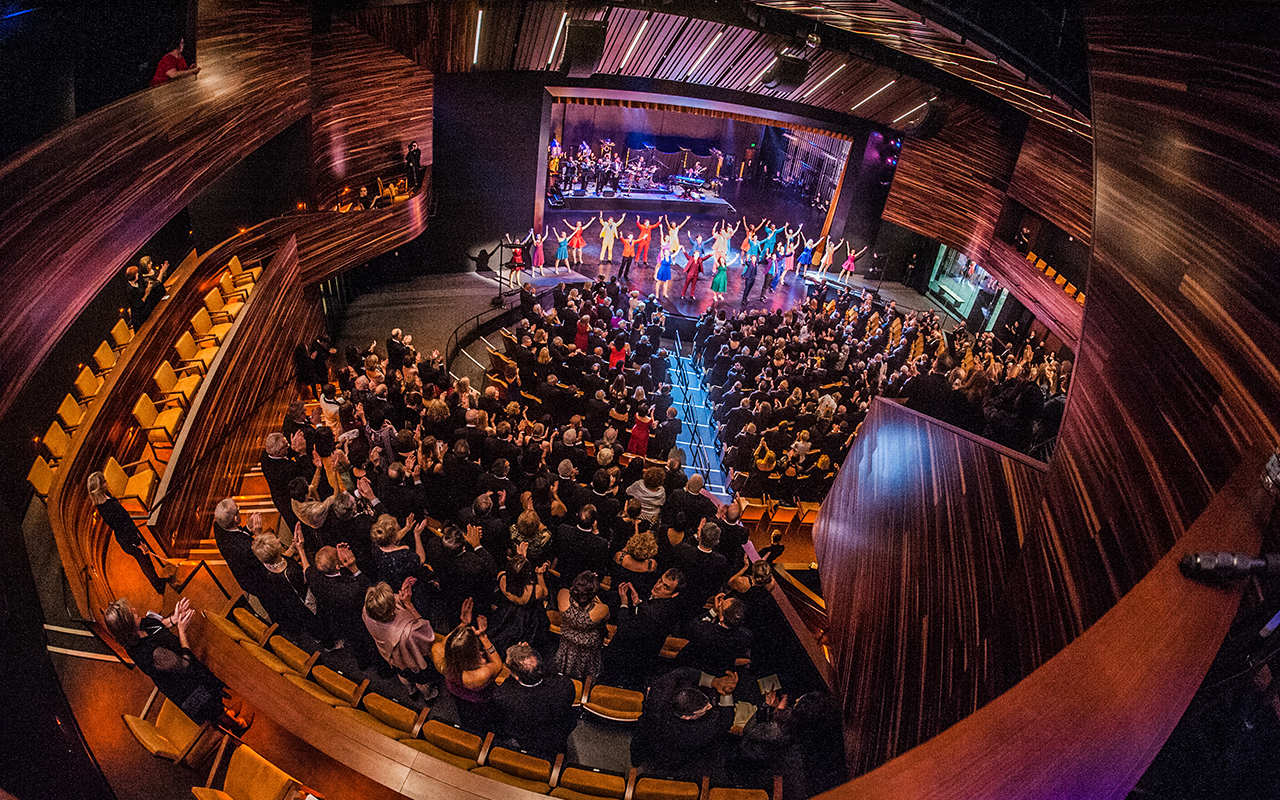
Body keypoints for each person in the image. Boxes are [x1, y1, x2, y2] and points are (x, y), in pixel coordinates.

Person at [103, 597, 251, 734]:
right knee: (211, 707)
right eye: (132, 613)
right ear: (128, 625)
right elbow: (184, 664)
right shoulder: (149, 653)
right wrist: (181, 630)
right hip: (187, 688)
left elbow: (159, 626)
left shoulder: (140, 625)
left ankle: (226, 712)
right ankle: (236, 724)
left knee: (215, 698)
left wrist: (174, 618)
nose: (135, 611)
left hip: (190, 676)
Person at [87, 471, 174, 595]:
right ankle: (160, 587)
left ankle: (159, 582)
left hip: (130, 532)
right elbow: (123, 528)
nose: (107, 483)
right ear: (100, 488)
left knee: (146, 558)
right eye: (104, 482)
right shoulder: (107, 508)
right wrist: (138, 543)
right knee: (146, 563)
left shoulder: (106, 498)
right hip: (129, 539)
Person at [492, 643, 578, 759]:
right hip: (557, 735)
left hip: (524, 739)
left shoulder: (503, 695)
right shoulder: (565, 685)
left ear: (516, 677)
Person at [431, 597, 503, 734]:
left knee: (466, 715)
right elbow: (498, 665)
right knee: (487, 720)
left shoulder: (441, 661)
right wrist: (483, 637)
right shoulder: (478, 675)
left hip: (457, 695)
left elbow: (445, 644)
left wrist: (463, 624)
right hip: (480, 703)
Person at [363, 579, 439, 701]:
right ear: (392, 609)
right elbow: (427, 635)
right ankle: (428, 695)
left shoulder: (367, 612)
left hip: (392, 657)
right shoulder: (408, 631)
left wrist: (400, 597)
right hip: (414, 660)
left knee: (403, 675)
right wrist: (409, 606)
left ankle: (410, 690)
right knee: (421, 680)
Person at [554, 570, 609, 680]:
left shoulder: (563, 597)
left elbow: (567, 590)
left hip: (567, 643)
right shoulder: (601, 609)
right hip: (588, 648)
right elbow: (607, 617)